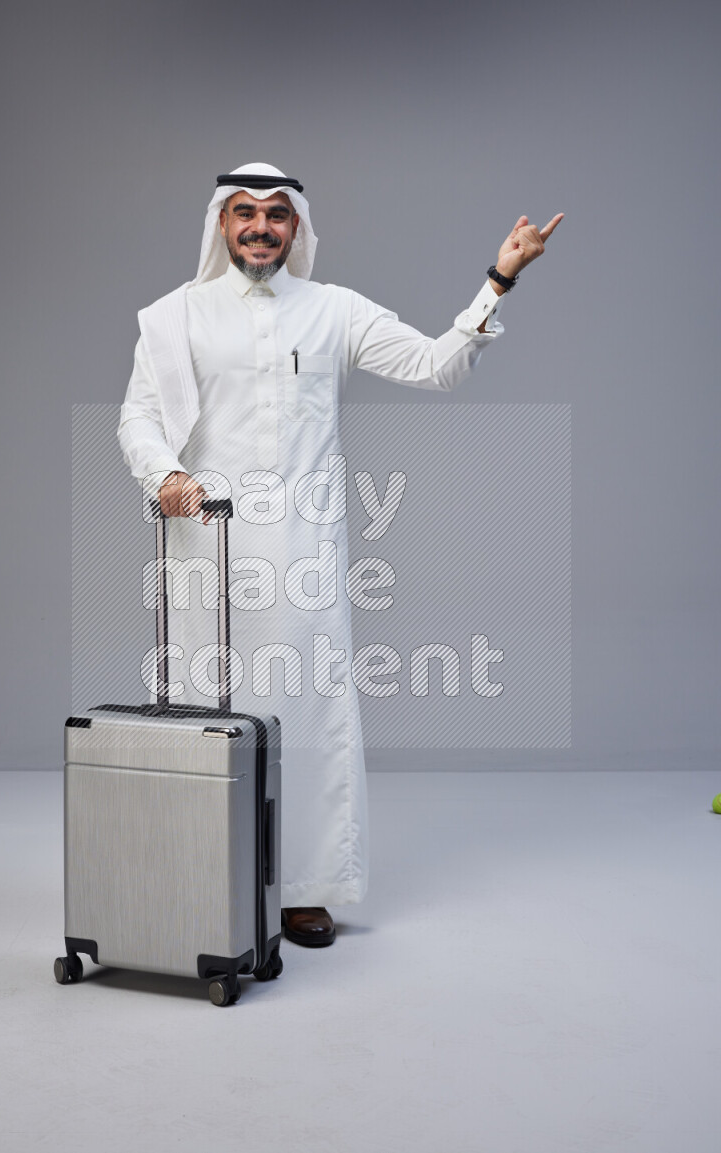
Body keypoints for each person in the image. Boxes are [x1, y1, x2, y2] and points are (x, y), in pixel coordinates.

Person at [117, 162, 563, 947]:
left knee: (307, 716)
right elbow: (138, 419)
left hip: (300, 554)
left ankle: (303, 890)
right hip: (205, 552)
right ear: (222, 224)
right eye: (246, 212)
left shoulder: (333, 311)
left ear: (298, 228)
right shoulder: (173, 317)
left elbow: (437, 365)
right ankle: (204, 872)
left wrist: (499, 278)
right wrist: (166, 475)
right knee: (204, 715)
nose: (261, 226)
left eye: (277, 214)